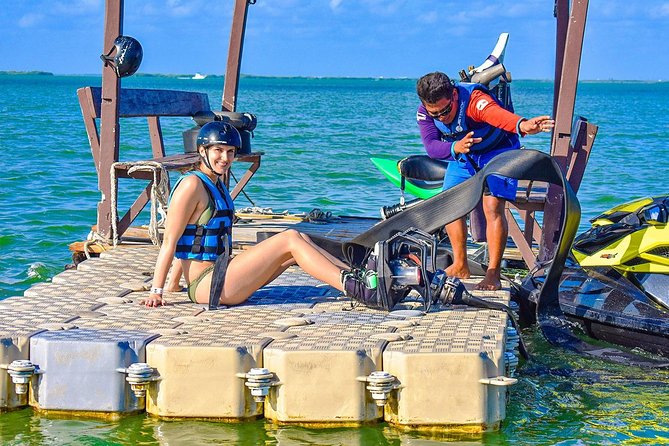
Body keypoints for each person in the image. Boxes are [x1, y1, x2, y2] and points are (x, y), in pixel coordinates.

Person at [142, 121, 376, 308]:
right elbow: (171, 242)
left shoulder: (217, 183)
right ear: (202, 151)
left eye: (230, 152)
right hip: (210, 285)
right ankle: (357, 289)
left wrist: (175, 284)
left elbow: (192, 239)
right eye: (218, 151)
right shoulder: (191, 185)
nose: (225, 158)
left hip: (221, 274)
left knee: (300, 241)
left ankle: (358, 278)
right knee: (290, 237)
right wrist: (158, 291)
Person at [416, 71, 554, 291]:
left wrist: (522, 124)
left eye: (445, 110)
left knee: (492, 207)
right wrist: (454, 148)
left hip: (499, 153)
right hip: (464, 155)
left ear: (453, 94)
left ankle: (493, 274)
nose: (441, 117)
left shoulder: (475, 102)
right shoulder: (425, 112)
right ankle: (460, 264)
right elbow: (432, 147)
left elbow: (497, 115)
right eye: (436, 114)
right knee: (451, 204)